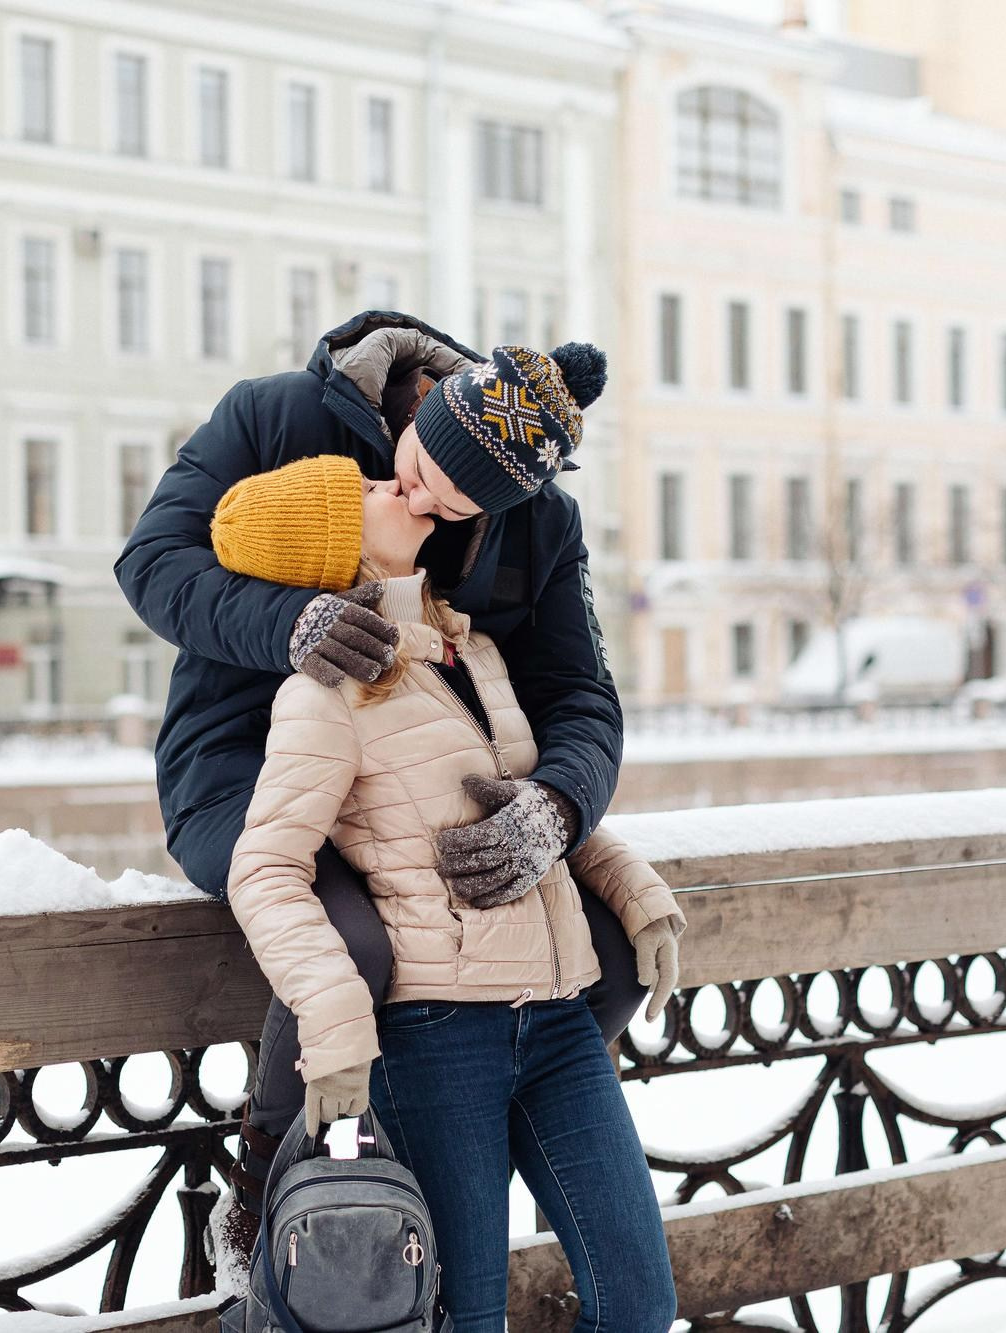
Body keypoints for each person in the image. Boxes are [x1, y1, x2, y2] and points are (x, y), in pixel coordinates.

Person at [115, 312, 651, 1272]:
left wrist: (559, 806)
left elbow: (581, 697)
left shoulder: (538, 518)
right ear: (420, 409)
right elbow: (153, 563)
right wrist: (292, 622)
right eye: (414, 478)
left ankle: (485, 1131)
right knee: (356, 941)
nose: (420, 505)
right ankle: (274, 1189)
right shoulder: (275, 419)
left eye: (455, 511)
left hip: (420, 795)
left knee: (608, 955)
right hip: (248, 771)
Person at [211, 442, 685, 1331]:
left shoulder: (477, 654)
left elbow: (532, 800)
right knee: (468, 1318)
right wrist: (335, 1025)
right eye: (365, 491)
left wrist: (635, 892)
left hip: (557, 1020)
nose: (392, 482)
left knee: (639, 1300)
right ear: (333, 548)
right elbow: (266, 868)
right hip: (436, 1037)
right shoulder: (328, 695)